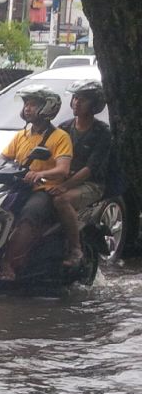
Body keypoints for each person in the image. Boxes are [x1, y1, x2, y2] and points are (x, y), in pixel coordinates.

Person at [0, 85, 74, 281]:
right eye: (26, 105)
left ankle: (9, 264)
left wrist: (39, 174)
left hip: (43, 190)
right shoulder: (21, 136)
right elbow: (2, 159)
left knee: (28, 216)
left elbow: (63, 169)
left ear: (47, 108)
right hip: (19, 187)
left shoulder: (60, 137)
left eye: (33, 105)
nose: (27, 109)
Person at [51, 80, 113, 267]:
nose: (77, 103)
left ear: (94, 105)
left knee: (61, 200)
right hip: (63, 179)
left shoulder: (102, 132)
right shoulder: (64, 128)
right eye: (75, 98)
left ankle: (75, 248)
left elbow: (90, 169)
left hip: (90, 184)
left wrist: (64, 186)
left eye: (83, 100)